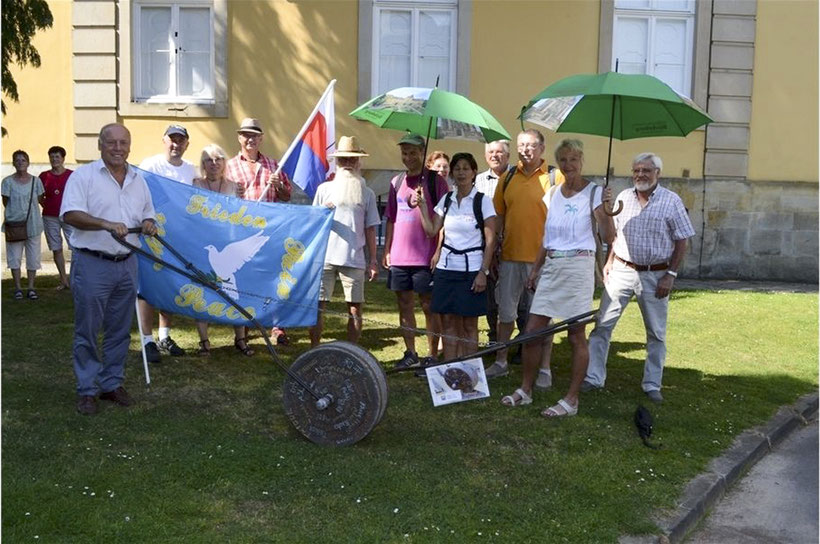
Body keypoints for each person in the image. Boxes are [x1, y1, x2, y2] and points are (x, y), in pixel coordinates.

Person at [500, 139, 614, 417]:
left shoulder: (595, 193)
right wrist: (537, 269)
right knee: (532, 332)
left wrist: (608, 211)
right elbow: (547, 238)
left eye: (573, 159)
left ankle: (571, 399)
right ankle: (526, 389)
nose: (568, 165)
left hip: (579, 266)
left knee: (576, 335)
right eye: (563, 160)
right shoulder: (552, 193)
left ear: (582, 160)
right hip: (552, 265)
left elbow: (609, 237)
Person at [583, 152, 696, 404]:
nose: (640, 175)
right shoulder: (623, 197)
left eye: (646, 170)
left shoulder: (671, 201)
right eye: (636, 170)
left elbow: (682, 240)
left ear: (658, 173)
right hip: (622, 270)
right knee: (602, 326)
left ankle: (652, 384)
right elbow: (614, 236)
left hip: (655, 274)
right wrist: (610, 260)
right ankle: (593, 377)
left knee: (655, 333)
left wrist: (671, 275)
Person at [60, 123, 157, 415]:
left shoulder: (138, 179)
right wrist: (105, 224)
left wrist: (150, 224)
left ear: (130, 146)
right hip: (92, 263)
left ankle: (111, 384)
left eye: (123, 142)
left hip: (127, 264)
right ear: (100, 145)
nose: (118, 148)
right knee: (87, 330)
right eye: (111, 142)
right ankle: (87, 389)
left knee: (119, 331)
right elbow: (70, 214)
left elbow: (147, 214)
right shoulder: (84, 176)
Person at [485, 129, 564, 383]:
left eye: (530, 145)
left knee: (543, 315)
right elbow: (498, 216)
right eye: (521, 145)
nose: (525, 150)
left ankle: (544, 368)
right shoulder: (507, 177)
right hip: (510, 258)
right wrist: (494, 247)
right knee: (505, 313)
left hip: (544, 260)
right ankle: (501, 361)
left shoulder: (555, 177)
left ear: (542, 148)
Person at [416, 152, 497, 360]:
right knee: (449, 322)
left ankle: (470, 371)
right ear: (452, 173)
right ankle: (450, 368)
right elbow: (432, 231)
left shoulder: (482, 201)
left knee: (469, 324)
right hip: (446, 268)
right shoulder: (447, 200)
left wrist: (483, 272)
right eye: (457, 168)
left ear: (474, 172)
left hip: (471, 270)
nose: (461, 172)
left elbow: (490, 240)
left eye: (466, 168)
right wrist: (423, 207)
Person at [382, 133, 449, 368]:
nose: (408, 157)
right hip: (400, 255)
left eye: (413, 152)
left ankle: (431, 354)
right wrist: (387, 249)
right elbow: (391, 218)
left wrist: (438, 250)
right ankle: (410, 352)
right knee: (404, 304)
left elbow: (443, 220)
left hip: (424, 256)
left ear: (423, 154)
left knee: (429, 306)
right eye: (405, 152)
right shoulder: (396, 182)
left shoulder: (435, 182)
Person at [225, 117, 293, 346]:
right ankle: (243, 326)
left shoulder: (274, 165)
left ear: (261, 138)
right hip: (241, 234)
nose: (250, 139)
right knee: (243, 279)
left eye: (254, 135)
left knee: (273, 278)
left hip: (269, 233)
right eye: (246, 134)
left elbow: (287, 196)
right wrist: (232, 192)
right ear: (239, 137)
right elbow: (221, 202)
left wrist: (279, 186)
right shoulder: (229, 166)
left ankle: (277, 325)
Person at [309, 136, 380, 347]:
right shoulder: (324, 190)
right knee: (318, 307)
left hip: (354, 257)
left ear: (358, 162)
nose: (348, 164)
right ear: (337, 163)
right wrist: (324, 212)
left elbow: (371, 228)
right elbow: (312, 222)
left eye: (352, 159)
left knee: (355, 308)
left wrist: (373, 260)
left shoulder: (366, 192)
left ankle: (353, 351)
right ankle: (314, 349)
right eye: (343, 160)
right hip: (325, 257)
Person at [137, 124, 197, 362]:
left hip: (178, 237)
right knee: (147, 287)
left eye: (181, 140)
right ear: (164, 141)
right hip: (152, 235)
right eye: (172, 139)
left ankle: (164, 336)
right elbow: (137, 193)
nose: (176, 144)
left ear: (186, 144)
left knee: (170, 284)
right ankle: (146, 340)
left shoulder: (190, 169)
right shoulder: (150, 165)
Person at [190, 144, 256, 357]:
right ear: (203, 165)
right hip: (202, 245)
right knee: (202, 291)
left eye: (218, 159)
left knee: (233, 292)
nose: (214, 163)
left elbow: (242, 217)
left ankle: (240, 338)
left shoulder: (234, 187)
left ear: (224, 163)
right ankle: (204, 342)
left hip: (228, 247)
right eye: (209, 160)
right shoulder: (194, 185)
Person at [474, 140, 528, 344]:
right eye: (490, 152)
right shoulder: (477, 181)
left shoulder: (516, 178)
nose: (494, 156)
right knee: (491, 299)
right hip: (486, 248)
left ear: (507, 155)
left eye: (499, 152)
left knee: (519, 299)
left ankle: (524, 341)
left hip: (512, 248)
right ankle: (495, 338)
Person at [2, 150, 45, 300]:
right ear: (13, 163)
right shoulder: (7, 182)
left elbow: (40, 199)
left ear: (28, 163)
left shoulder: (36, 181)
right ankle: (18, 288)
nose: (20, 162)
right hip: (14, 225)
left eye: (23, 160)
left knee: (33, 257)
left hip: (33, 224)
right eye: (17, 160)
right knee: (14, 257)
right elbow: (6, 202)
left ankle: (31, 287)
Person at [39, 145, 74, 290]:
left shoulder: (72, 175)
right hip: (50, 216)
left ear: (63, 158)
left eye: (57, 157)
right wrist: (48, 206)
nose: (54, 160)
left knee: (76, 247)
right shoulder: (43, 176)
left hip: (69, 216)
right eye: (52, 157)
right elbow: (40, 196)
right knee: (56, 248)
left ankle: (75, 279)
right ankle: (63, 280)